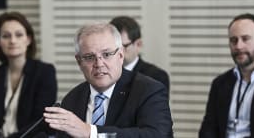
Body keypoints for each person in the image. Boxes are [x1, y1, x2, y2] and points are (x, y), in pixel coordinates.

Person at [43, 23, 173, 138]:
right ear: (79, 61)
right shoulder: (72, 99)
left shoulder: (148, 91)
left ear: (120, 55)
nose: (99, 64)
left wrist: (91, 132)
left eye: (106, 55)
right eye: (89, 57)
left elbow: (156, 135)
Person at [199, 13, 254, 138]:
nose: (238, 46)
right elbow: (208, 129)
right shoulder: (219, 83)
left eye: (245, 39)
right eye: (233, 40)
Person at [0, 11, 58, 138]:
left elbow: (40, 121)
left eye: (19, 35)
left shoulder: (44, 72)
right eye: (6, 36)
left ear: (28, 39)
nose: (12, 41)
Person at [110, 16, 170, 93]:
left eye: (123, 47)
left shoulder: (156, 77)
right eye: (112, 47)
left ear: (138, 44)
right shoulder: (102, 73)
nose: (116, 52)